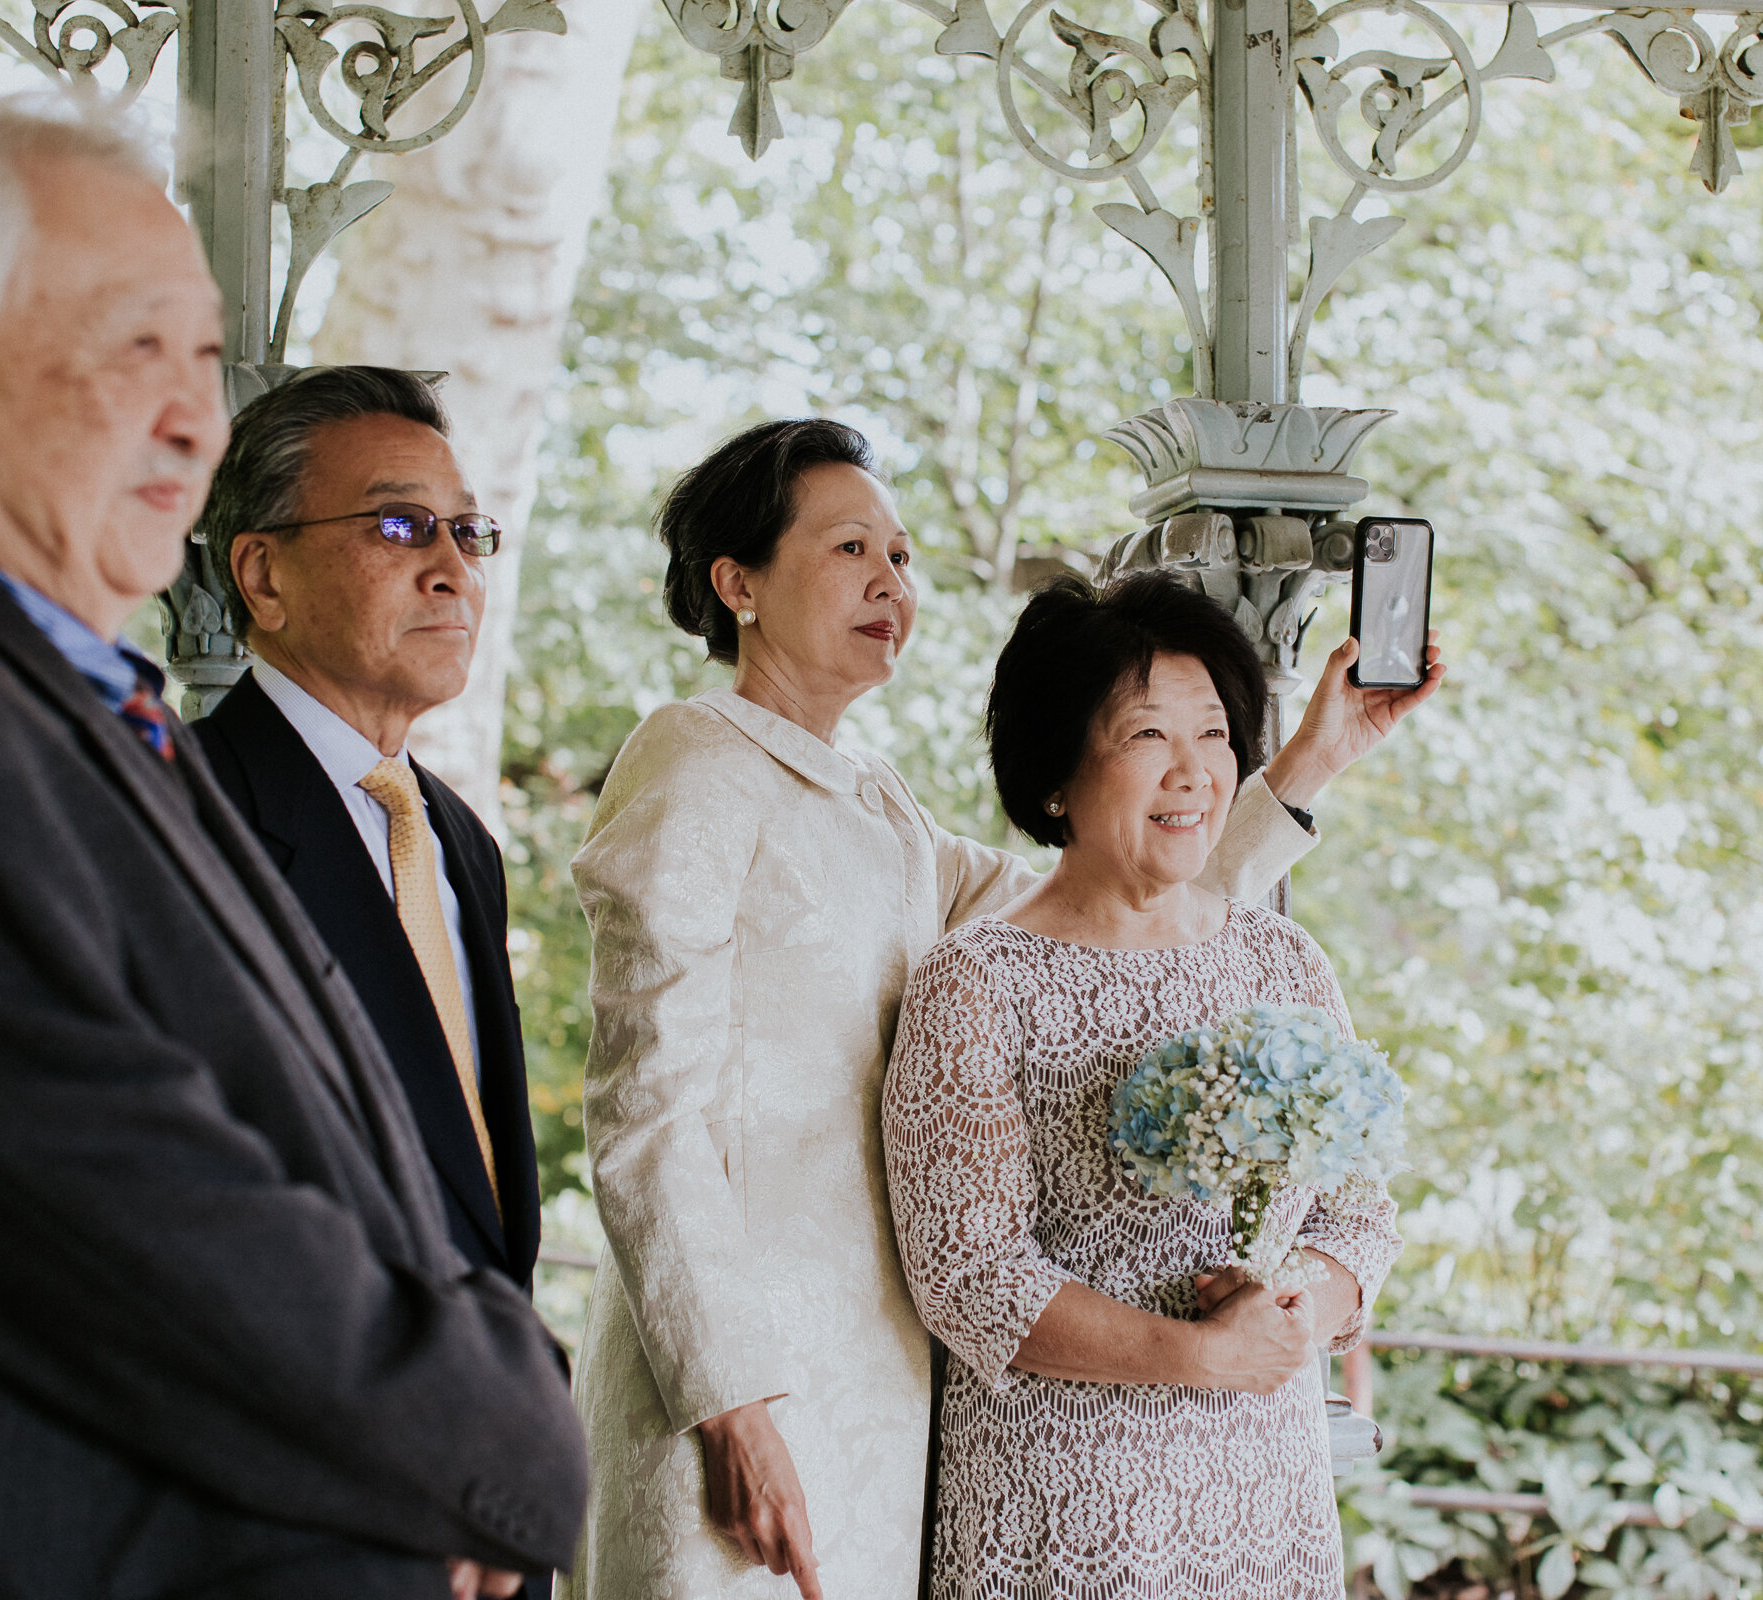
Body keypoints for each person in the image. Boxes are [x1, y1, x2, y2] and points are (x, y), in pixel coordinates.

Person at [0, 103, 581, 1599]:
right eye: (137, 348)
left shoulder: (46, 692)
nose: (198, 420)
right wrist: (489, 1455)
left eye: (204, 358)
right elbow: (147, 1238)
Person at [566, 418, 1442, 1600]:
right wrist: (727, 1397)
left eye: (903, 553)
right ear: (738, 585)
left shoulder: (881, 808)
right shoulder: (692, 760)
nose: (891, 581)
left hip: (878, 1380)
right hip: (733, 1376)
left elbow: (1112, 908)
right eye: (848, 549)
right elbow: (645, 1112)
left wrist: (1307, 764)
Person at [883, 571, 1407, 1599]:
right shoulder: (975, 980)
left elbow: (1361, 1211)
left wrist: (1301, 1298)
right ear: (1055, 772)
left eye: (1214, 734)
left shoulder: (1284, 963)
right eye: (1146, 737)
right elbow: (970, 1276)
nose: (1193, 773)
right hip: (1068, 1503)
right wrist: (1204, 1356)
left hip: (1267, 1495)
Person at [191, 366, 547, 1296]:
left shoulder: (457, 840)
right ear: (262, 575)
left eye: (466, 532)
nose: (453, 569)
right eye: (399, 525)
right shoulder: (178, 812)